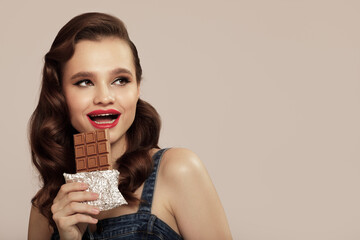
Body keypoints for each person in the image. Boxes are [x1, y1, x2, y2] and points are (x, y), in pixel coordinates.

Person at [27, 12, 232, 240]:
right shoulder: (44, 208)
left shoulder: (178, 170)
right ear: (60, 94)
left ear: (137, 89)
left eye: (120, 80)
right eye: (84, 82)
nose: (104, 97)